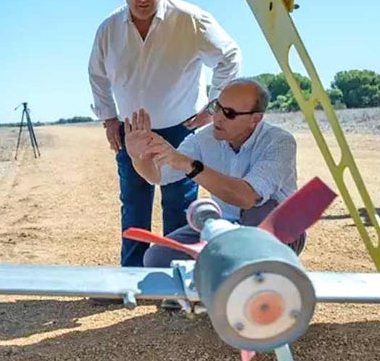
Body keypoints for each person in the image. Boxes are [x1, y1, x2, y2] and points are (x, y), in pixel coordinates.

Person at [88, 0, 241, 269]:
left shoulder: (190, 20)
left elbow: (230, 57)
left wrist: (212, 108)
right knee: (134, 204)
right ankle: (132, 277)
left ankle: (177, 278)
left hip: (181, 130)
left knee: (180, 204)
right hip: (133, 133)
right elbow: (97, 75)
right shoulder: (108, 29)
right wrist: (108, 120)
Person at [124, 78, 305, 272]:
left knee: (259, 212)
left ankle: (257, 279)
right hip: (225, 228)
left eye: (229, 113)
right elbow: (159, 176)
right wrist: (138, 157)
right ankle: (201, 290)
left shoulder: (279, 143)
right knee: (157, 258)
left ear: (256, 119)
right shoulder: (204, 137)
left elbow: (246, 197)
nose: (218, 117)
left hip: (281, 231)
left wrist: (189, 164)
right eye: (217, 107)